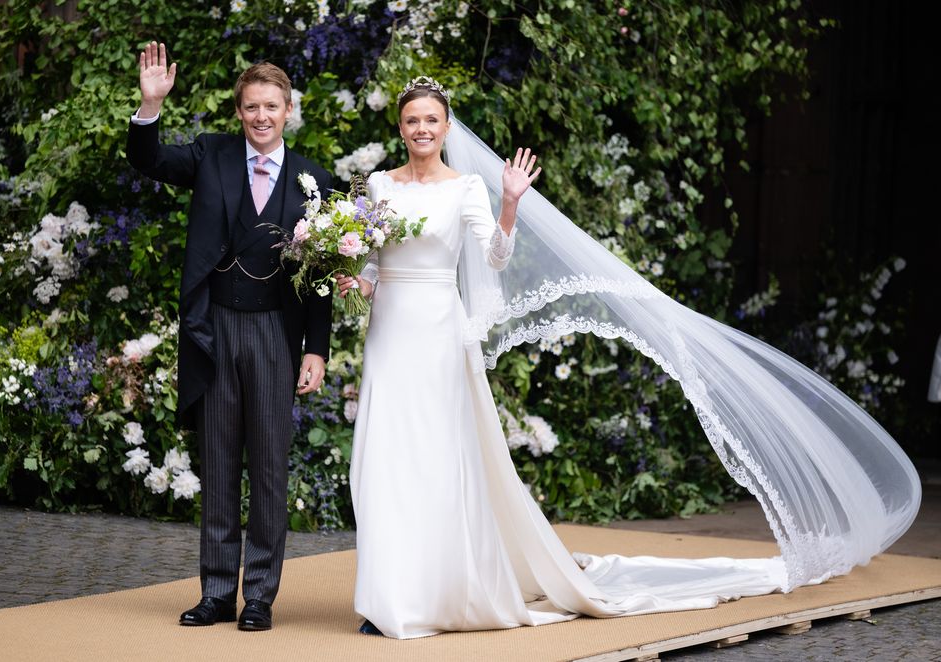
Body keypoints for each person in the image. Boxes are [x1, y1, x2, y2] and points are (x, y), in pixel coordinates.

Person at [335, 76, 921, 639]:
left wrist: (510, 202)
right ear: (400, 125)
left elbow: (495, 258)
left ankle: (432, 593)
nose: (421, 128)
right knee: (385, 457)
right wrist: (348, 278)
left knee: (435, 462)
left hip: (439, 331)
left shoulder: (464, 188)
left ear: (444, 126)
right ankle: (385, 594)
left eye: (430, 120)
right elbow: (369, 264)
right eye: (412, 120)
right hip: (390, 335)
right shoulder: (379, 187)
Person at [127, 42, 332, 631]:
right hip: (214, 328)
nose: (261, 117)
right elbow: (150, 162)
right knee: (218, 463)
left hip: (275, 331)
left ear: (289, 109)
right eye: (250, 107)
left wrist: (315, 348)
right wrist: (150, 106)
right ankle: (217, 593)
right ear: (238, 112)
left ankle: (260, 597)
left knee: (269, 467)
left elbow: (321, 275)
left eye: (271, 106)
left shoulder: (315, 178)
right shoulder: (211, 156)